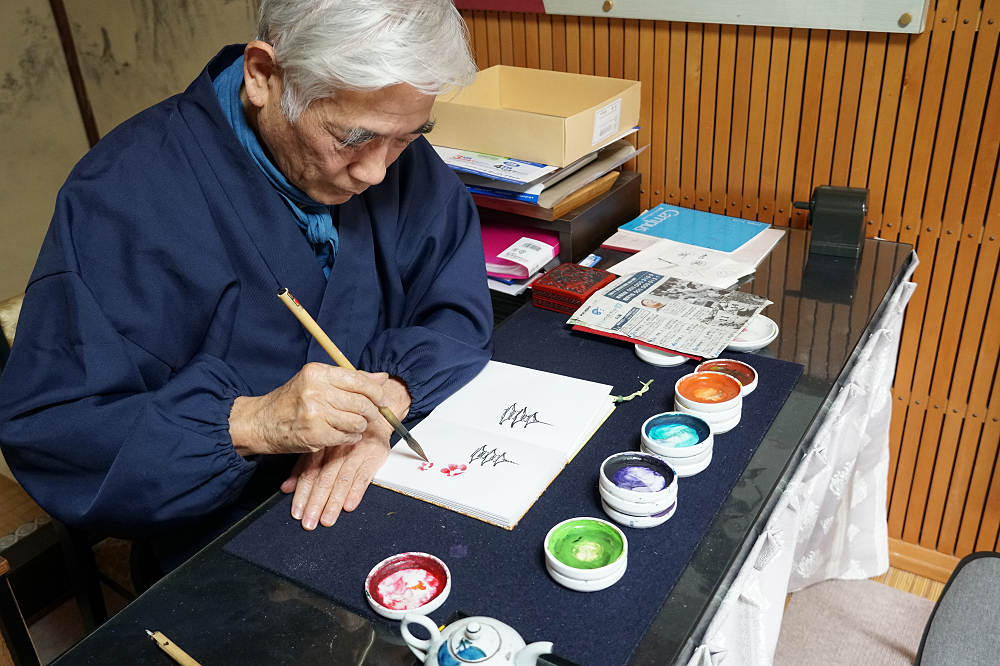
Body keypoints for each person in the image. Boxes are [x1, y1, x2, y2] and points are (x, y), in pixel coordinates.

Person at [0, 0, 493, 570]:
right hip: (218, 536)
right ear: (263, 76)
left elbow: (456, 306)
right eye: (350, 138)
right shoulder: (121, 196)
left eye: (406, 138)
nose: (376, 172)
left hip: (383, 479)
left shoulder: (386, 144)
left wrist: (392, 395)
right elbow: (58, 433)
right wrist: (253, 423)